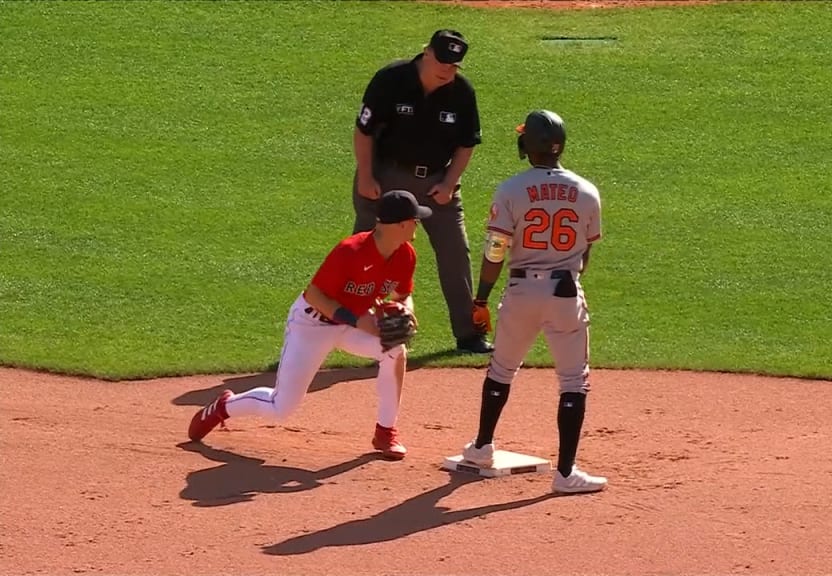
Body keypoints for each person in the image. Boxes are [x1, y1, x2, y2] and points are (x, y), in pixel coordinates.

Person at [187, 190, 432, 460]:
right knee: (282, 408)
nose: (418, 225)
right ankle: (225, 406)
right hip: (312, 325)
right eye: (415, 220)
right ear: (401, 225)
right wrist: (358, 321)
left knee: (395, 350)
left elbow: (403, 294)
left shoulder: (405, 254)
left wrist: (405, 311)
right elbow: (315, 295)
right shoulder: (350, 251)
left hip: (351, 326)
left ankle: (385, 431)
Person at [460, 110, 607, 494]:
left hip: (521, 291)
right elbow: (585, 254)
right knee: (573, 380)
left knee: (502, 369)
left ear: (527, 145)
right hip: (565, 292)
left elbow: (495, 251)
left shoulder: (510, 190)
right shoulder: (588, 191)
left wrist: (480, 299)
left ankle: (481, 447)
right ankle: (565, 474)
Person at [350, 29, 493, 354]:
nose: (447, 70)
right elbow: (364, 131)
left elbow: (466, 144)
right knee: (365, 255)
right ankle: (350, 327)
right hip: (386, 177)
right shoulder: (392, 79)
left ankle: (469, 334)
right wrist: (366, 174)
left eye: (454, 65)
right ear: (426, 53)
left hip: (436, 183)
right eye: (442, 61)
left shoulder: (461, 92)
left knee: (456, 253)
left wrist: (450, 182)